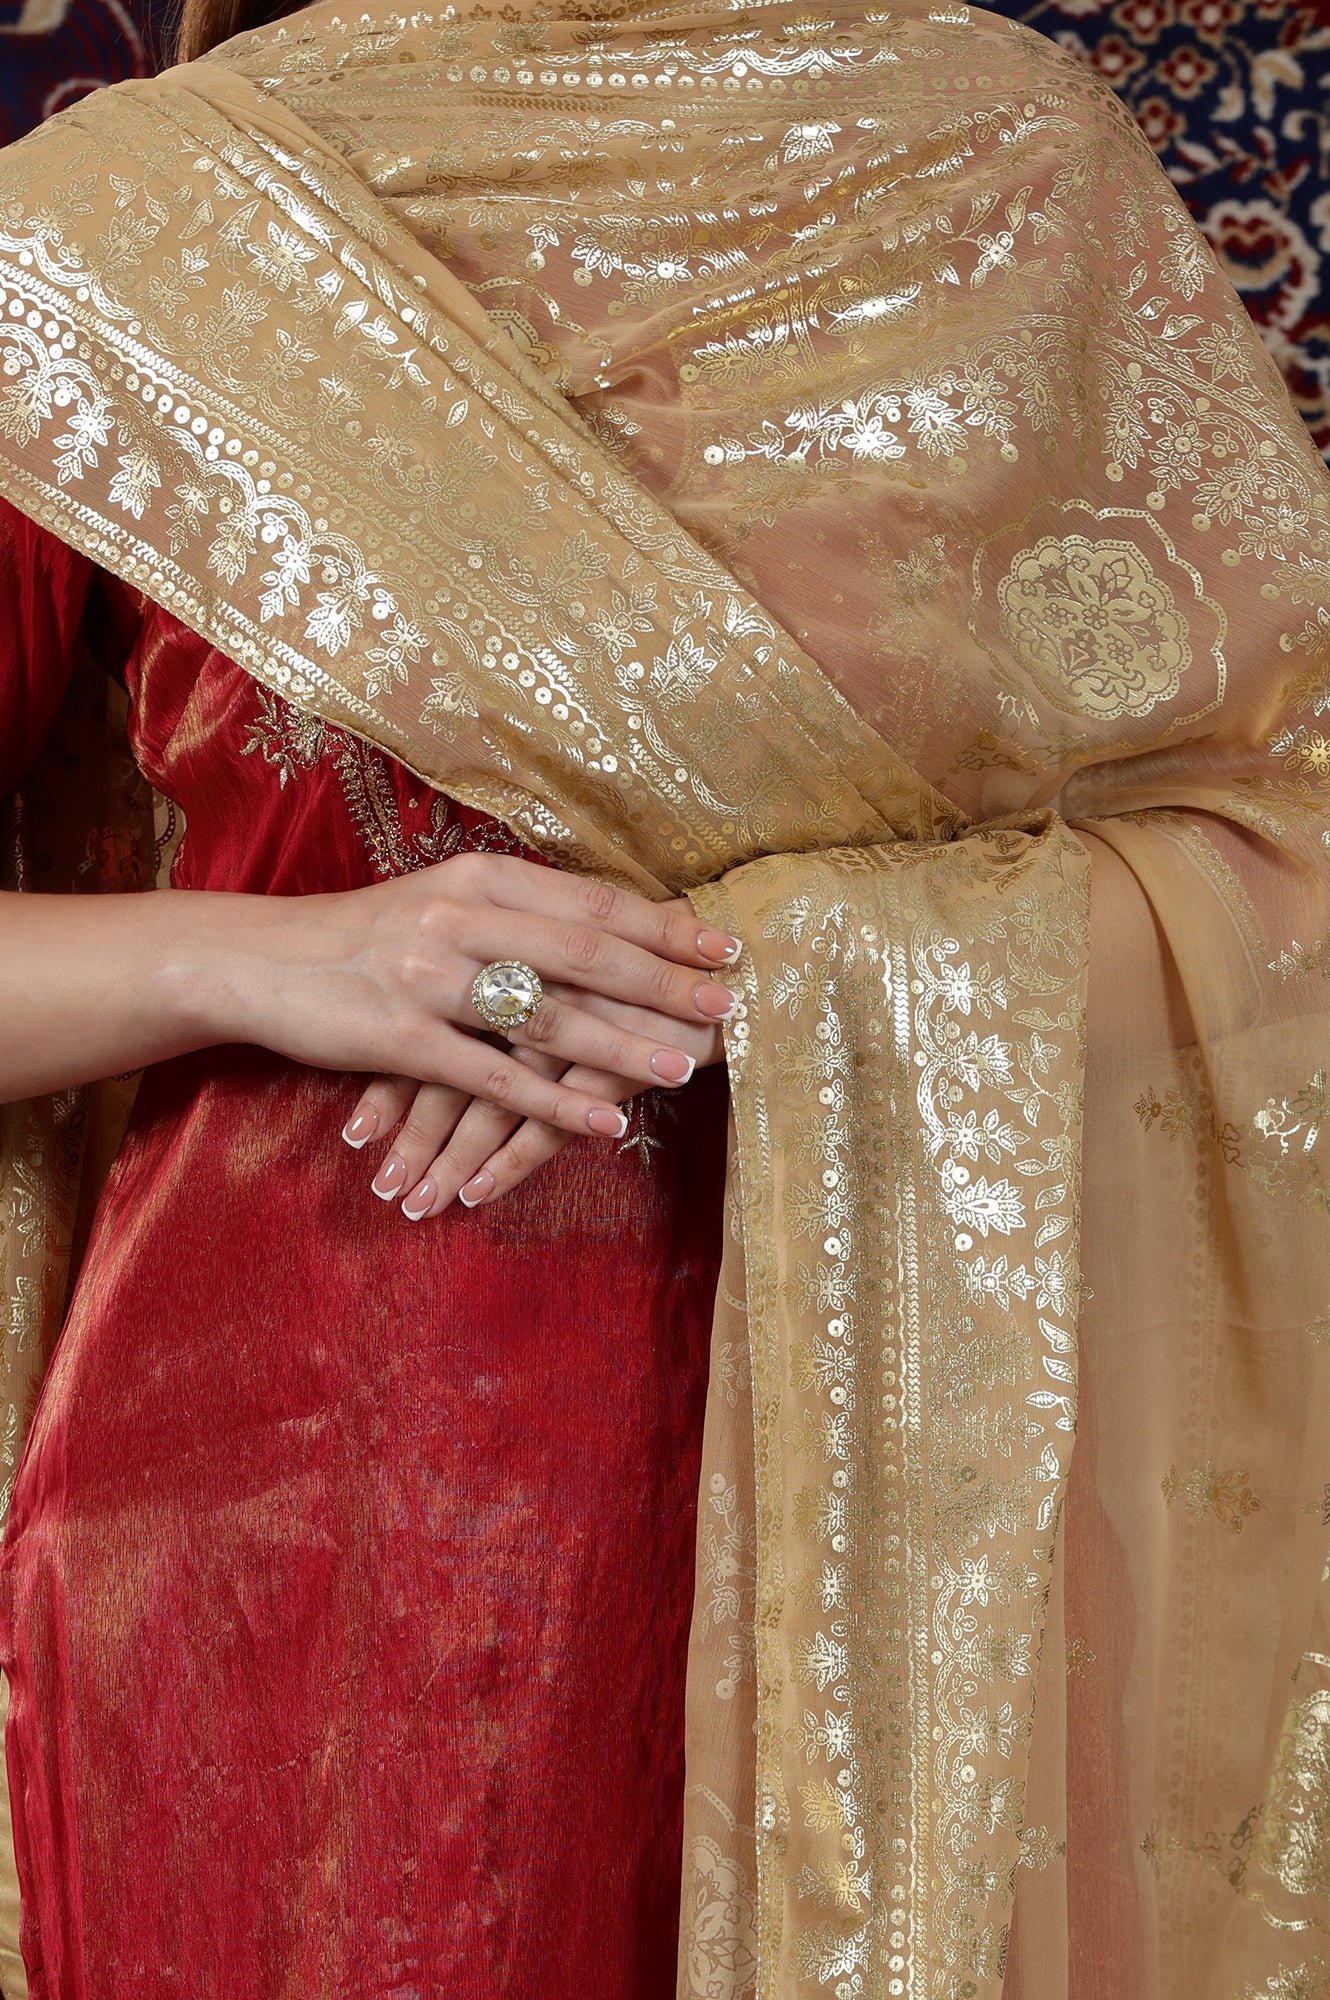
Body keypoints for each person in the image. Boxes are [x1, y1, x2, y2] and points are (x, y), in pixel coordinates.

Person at [0, 0, 1328, 1993]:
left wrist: (756, 961)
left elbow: (1284, 838)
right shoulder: (121, 242)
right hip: (294, 1571)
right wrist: (286, 955)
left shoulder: (1001, 171)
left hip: (926, 1549)